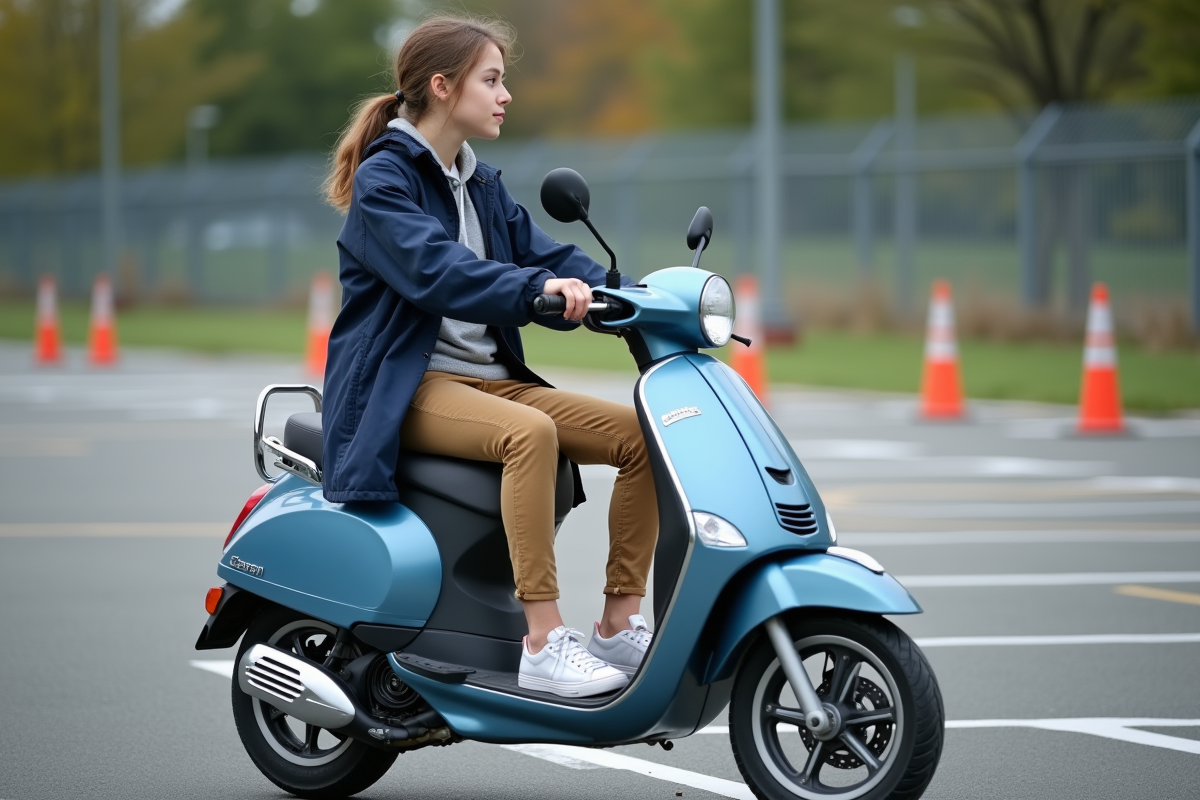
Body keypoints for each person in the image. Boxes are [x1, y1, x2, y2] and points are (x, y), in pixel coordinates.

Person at [320, 14, 658, 698]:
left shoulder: (478, 182)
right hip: (406, 385)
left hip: (488, 384)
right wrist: (538, 292)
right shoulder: (387, 183)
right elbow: (439, 273)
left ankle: (620, 622)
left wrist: (635, 296)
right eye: (493, 80)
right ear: (443, 87)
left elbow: (549, 255)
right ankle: (542, 639)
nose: (506, 95)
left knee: (643, 436)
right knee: (529, 434)